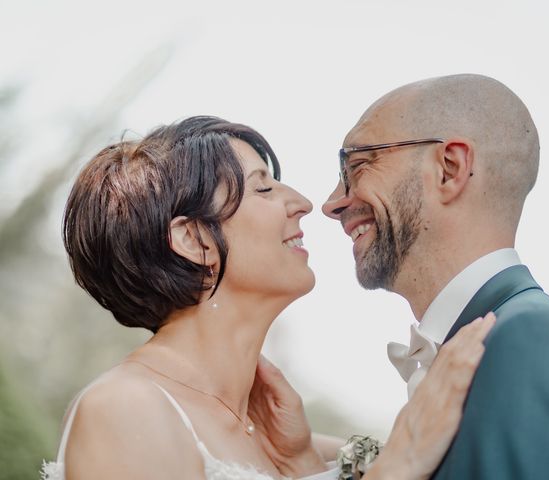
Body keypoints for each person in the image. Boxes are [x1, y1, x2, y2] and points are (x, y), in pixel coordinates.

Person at [41, 115, 495, 480]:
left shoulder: (287, 439)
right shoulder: (126, 409)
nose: (301, 202)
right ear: (194, 239)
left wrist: (308, 464)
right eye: (263, 187)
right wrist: (397, 468)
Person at [319, 74, 549, 478]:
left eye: (359, 165)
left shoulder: (531, 342)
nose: (333, 203)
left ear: (450, 169)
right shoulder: (495, 344)